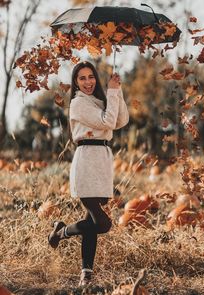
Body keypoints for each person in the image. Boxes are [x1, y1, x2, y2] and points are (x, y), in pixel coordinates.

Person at [48, 61, 129, 286]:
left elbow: (121, 120)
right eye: (82, 78)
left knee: (90, 222)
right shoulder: (77, 104)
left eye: (91, 77)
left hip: (102, 160)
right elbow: (109, 120)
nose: (87, 82)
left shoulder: (98, 101)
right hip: (86, 161)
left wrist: (117, 90)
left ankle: (86, 273)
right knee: (102, 223)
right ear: (75, 82)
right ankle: (61, 232)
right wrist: (111, 94)